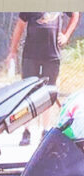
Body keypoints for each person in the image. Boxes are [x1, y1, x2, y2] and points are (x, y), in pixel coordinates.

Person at [6, 12, 80, 144]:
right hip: (31, 55)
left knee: (48, 93)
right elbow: (20, 26)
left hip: (52, 55)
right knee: (27, 93)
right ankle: (26, 131)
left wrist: (66, 35)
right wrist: (13, 51)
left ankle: (45, 131)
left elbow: (75, 14)